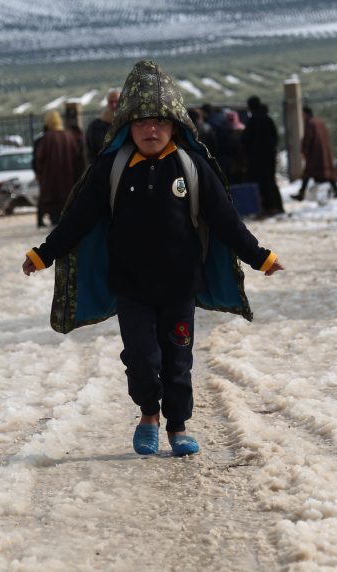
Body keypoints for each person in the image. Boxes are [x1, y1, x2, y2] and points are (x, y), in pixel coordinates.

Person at [21, 60, 283, 458]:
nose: (151, 129)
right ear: (128, 124)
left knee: (178, 360)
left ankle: (178, 426)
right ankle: (148, 414)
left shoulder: (192, 167)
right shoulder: (112, 168)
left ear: (175, 124)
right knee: (142, 358)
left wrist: (259, 257)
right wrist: (43, 255)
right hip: (130, 286)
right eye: (142, 120)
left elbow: (226, 220)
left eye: (160, 120)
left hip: (180, 286)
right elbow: (78, 220)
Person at [35, 110, 84, 227]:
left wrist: (41, 173)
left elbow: (39, 158)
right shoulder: (69, 136)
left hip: (50, 180)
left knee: (54, 211)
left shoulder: (46, 138)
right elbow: (77, 158)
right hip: (68, 179)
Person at [241, 96, 284, 216]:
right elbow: (275, 137)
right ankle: (277, 206)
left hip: (256, 159)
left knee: (261, 184)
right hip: (268, 157)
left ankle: (267, 208)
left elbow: (245, 139)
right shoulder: (267, 119)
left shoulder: (252, 121)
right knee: (270, 181)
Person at [292, 106, 337, 201]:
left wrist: (304, 151)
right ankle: (336, 191)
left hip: (315, 154)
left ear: (305, 114)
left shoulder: (310, 123)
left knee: (307, 173)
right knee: (328, 173)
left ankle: (301, 194)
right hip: (323, 152)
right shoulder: (320, 122)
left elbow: (308, 138)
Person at [85, 88, 121, 163]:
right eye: (111, 102)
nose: (114, 105)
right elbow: (91, 152)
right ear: (107, 103)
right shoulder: (95, 127)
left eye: (116, 102)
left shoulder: (128, 124)